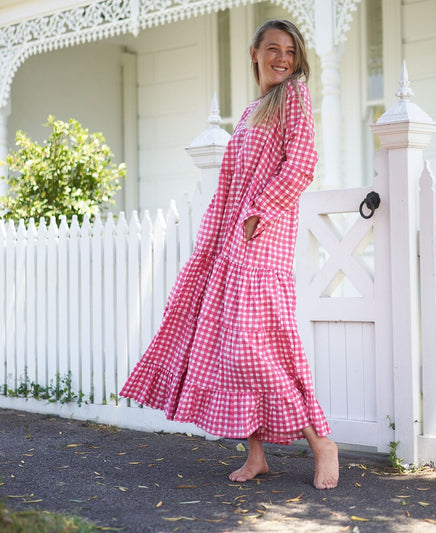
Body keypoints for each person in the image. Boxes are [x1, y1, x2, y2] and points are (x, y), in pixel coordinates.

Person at [120, 19, 339, 490]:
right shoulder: (248, 113)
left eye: (291, 51)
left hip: (263, 241)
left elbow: (301, 165)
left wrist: (258, 213)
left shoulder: (294, 97)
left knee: (257, 347)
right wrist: (214, 242)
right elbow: (227, 188)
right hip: (233, 241)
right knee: (229, 350)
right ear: (254, 53)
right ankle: (256, 454)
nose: (283, 57)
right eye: (273, 49)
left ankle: (322, 441)